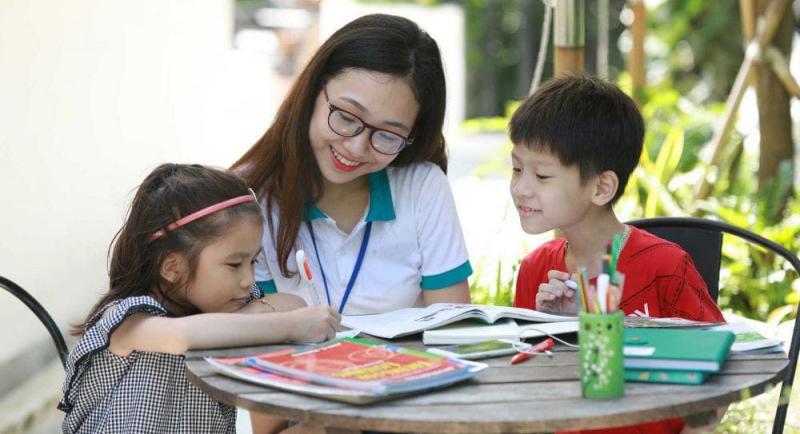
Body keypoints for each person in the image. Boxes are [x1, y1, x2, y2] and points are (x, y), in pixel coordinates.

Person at [509, 76, 725, 434]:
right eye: (516, 168)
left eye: (542, 175)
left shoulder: (663, 266)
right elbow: (529, 387)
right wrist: (556, 328)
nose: (520, 188)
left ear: (601, 187)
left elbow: (719, 381)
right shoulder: (537, 270)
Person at [58, 163, 340, 434]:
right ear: (173, 267)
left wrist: (246, 322)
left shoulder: (225, 306)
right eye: (234, 265)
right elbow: (179, 337)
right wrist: (289, 326)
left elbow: (291, 304)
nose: (248, 279)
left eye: (253, 262)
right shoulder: (126, 317)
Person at [232, 13, 472, 317]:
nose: (356, 148)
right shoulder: (252, 199)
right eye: (346, 117)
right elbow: (244, 330)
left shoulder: (421, 187)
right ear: (314, 91)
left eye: (387, 135)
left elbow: (452, 327)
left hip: (399, 366)